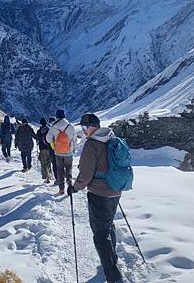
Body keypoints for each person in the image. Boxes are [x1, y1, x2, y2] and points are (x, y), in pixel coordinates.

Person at [69, 113, 123, 283]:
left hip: (100, 193)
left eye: (86, 127)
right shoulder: (110, 137)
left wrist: (75, 188)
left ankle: (113, 276)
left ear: (94, 126)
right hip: (115, 190)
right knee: (108, 225)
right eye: (83, 128)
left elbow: (85, 174)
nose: (84, 131)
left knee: (100, 234)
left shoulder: (92, 144)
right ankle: (111, 261)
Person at [46, 109, 77, 195]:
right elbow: (74, 140)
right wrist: (73, 149)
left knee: (59, 170)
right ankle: (70, 184)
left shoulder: (53, 127)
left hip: (58, 152)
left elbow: (48, 139)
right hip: (68, 153)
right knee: (69, 168)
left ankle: (61, 189)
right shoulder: (70, 126)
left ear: (56, 117)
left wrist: (53, 144)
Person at [32, 118, 52, 183]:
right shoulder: (49, 130)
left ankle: (46, 177)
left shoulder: (39, 131)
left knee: (43, 164)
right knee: (49, 163)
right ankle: (50, 175)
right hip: (49, 149)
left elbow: (36, 138)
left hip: (42, 149)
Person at [48, 116, 58, 183]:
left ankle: (57, 179)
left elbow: (48, 140)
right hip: (63, 149)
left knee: (54, 164)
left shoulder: (50, 130)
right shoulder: (61, 129)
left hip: (53, 150)